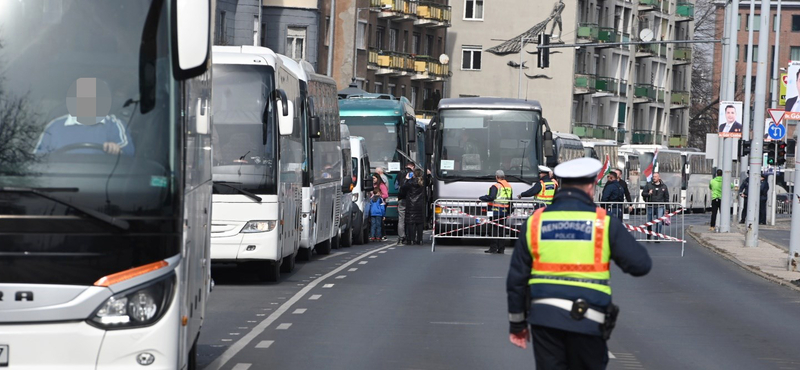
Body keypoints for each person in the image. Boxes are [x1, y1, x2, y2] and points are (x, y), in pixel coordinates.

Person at [506, 157, 652, 370]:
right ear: (591, 186)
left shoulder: (535, 221)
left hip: (545, 319)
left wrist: (517, 323)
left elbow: (516, 279)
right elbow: (641, 264)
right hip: (587, 318)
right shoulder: (603, 221)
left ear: (561, 185)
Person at [35, 78, 134, 156]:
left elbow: (129, 154)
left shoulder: (113, 124)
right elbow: (36, 160)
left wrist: (117, 150)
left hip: (103, 179)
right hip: (56, 180)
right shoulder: (55, 126)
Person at [480, 170, 513, 254]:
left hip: (495, 211)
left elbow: (491, 197)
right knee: (502, 230)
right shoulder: (509, 186)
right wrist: (509, 211)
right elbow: (510, 200)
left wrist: (480, 198)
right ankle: (501, 249)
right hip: (504, 211)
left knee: (494, 229)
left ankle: (493, 248)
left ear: (497, 177)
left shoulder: (495, 186)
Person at [399, 168, 427, 245]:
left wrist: (406, 179)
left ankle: (411, 239)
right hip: (420, 204)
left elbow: (402, 188)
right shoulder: (422, 182)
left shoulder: (410, 182)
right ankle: (420, 239)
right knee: (419, 222)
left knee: (411, 222)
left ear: (414, 175)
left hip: (411, 204)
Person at [642, 172, 669, 242]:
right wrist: (648, 193)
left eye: (656, 176)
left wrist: (667, 208)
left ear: (659, 178)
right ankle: (649, 233)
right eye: (653, 176)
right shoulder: (649, 185)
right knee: (649, 221)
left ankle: (657, 236)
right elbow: (643, 194)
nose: (654, 178)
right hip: (650, 205)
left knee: (659, 222)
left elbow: (666, 198)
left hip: (660, 206)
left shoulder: (664, 186)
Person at [395, 162, 416, 244]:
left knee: (401, 218)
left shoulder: (399, 173)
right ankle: (410, 236)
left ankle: (401, 236)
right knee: (411, 218)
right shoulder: (413, 174)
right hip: (412, 199)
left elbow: (396, 186)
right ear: (412, 167)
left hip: (401, 198)